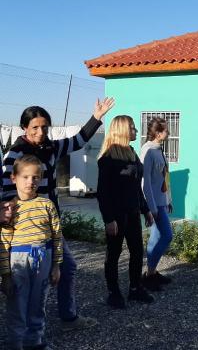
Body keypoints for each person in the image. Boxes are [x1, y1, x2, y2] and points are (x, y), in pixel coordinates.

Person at [1, 98, 114, 331]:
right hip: (24, 228)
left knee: (66, 267)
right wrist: (7, 216)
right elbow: (5, 191)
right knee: (22, 279)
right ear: (24, 128)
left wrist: (97, 117)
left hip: (50, 222)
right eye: (35, 127)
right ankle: (23, 329)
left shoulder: (51, 148)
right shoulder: (15, 155)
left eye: (44, 127)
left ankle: (66, 318)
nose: (40, 132)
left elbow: (79, 141)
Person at [0, 155, 62, 350]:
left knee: (38, 304)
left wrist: (56, 266)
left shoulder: (47, 205)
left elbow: (57, 237)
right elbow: (4, 242)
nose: (30, 181)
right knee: (17, 305)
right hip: (18, 260)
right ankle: (14, 344)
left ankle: (35, 342)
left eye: (35, 177)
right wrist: (5, 275)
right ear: (14, 178)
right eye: (25, 177)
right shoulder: (9, 208)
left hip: (44, 258)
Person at [97, 115, 155, 309]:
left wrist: (145, 209)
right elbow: (102, 193)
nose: (135, 131)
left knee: (137, 251)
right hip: (116, 215)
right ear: (121, 130)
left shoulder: (131, 153)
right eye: (132, 128)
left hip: (132, 212)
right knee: (113, 253)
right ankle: (114, 293)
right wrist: (108, 219)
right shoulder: (107, 159)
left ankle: (135, 288)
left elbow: (136, 187)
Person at [139, 117, 173, 291]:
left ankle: (150, 273)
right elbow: (145, 182)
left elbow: (163, 178)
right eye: (166, 130)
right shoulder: (148, 151)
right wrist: (150, 208)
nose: (169, 133)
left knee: (155, 237)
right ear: (158, 133)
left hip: (161, 201)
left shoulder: (159, 150)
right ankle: (149, 275)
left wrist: (168, 200)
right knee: (167, 235)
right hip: (153, 204)